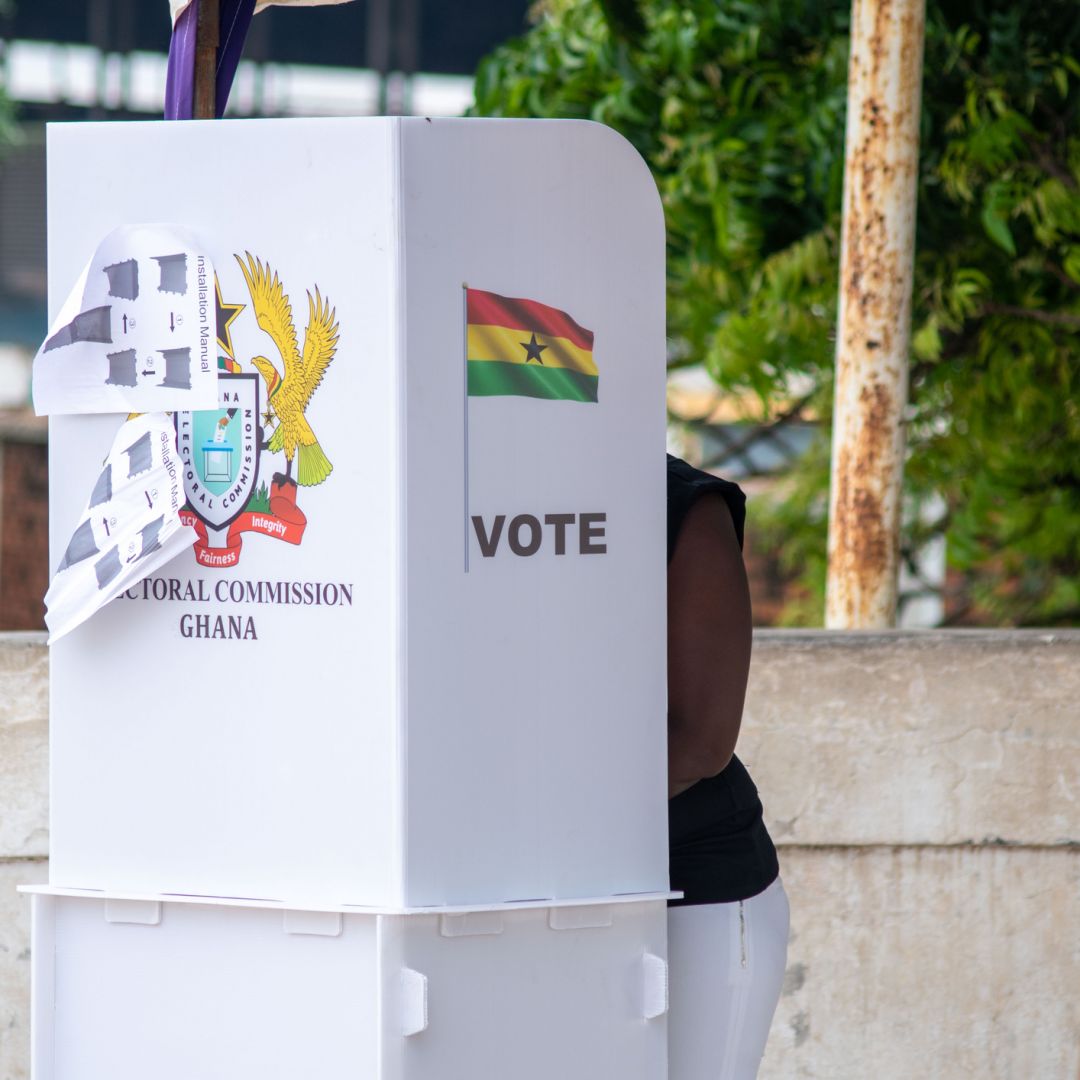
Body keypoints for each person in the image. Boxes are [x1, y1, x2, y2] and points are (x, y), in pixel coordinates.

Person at [665, 453, 789, 1080]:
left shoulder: (682, 505)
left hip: (697, 892)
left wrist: (532, 805)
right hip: (541, 893)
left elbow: (700, 743)